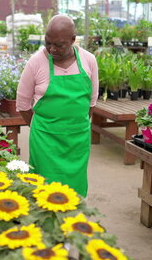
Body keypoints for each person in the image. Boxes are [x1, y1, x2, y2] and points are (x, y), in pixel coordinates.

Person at [16, 14, 99, 196]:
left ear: (72, 40)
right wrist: (42, 128)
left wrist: (76, 124)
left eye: (59, 45)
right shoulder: (36, 62)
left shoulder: (88, 60)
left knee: (74, 191)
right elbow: (22, 104)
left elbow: (92, 100)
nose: (52, 49)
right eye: (48, 42)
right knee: (44, 190)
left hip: (77, 140)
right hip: (45, 141)